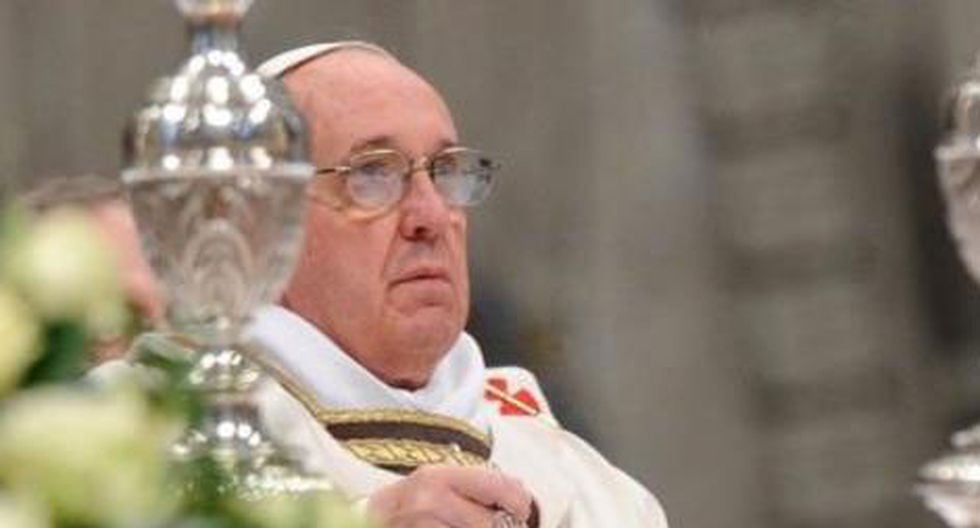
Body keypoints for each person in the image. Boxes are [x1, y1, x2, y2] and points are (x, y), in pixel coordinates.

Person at [100, 41, 668, 527]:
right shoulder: (138, 429)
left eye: (446, 171)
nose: (431, 216)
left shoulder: (592, 487)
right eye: (372, 173)